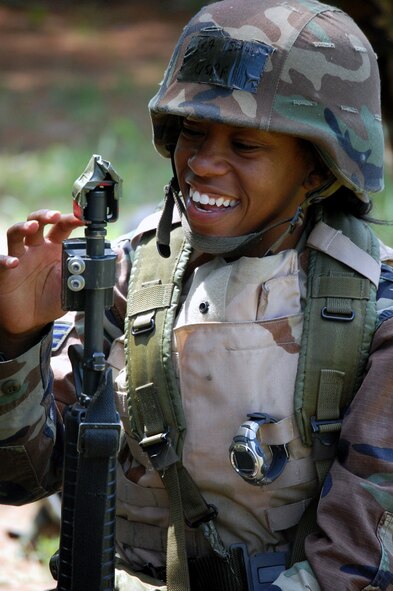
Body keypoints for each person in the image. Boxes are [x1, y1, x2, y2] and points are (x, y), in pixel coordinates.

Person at [0, 0, 393, 589]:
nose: (204, 165)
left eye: (247, 146)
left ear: (318, 168)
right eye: (194, 131)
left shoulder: (374, 313)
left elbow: (356, 564)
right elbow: (22, 477)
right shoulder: (133, 277)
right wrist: (17, 338)